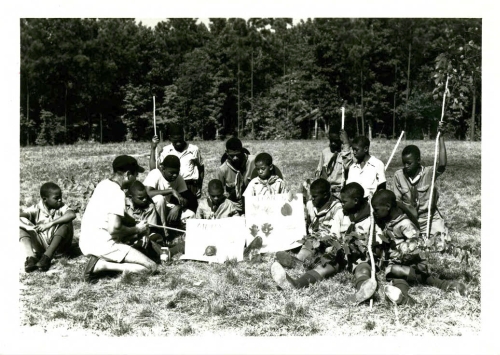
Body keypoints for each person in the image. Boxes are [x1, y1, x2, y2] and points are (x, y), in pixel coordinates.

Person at [271, 183, 378, 302]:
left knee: (363, 270)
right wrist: (332, 245)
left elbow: (374, 242)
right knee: (323, 267)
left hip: (359, 255)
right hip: (341, 253)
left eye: (344, 202)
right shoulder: (341, 213)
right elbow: (334, 234)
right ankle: (296, 283)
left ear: (356, 201)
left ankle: (363, 290)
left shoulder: (371, 218)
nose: (341, 204)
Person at [371, 190, 466, 305]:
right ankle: (404, 298)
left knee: (395, 271)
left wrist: (405, 256)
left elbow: (416, 246)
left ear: (388, 206)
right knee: (396, 277)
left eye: (376, 210)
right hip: (398, 263)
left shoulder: (405, 224)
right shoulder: (388, 221)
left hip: (412, 263)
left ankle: (445, 284)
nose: (374, 213)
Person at [79, 155, 157, 283]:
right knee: (151, 267)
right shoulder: (118, 193)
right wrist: (137, 229)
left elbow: (117, 215)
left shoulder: (103, 184)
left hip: (87, 243)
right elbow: (114, 229)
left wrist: (134, 223)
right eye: (135, 175)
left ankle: (100, 261)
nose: (136, 178)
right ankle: (103, 266)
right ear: (127, 174)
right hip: (104, 246)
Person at [392, 121, 447, 237]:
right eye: (404, 163)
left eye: (409, 163)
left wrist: (441, 137)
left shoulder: (428, 173)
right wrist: (408, 210)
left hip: (429, 218)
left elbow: (442, 164)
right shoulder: (398, 175)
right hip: (409, 217)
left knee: (440, 243)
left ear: (418, 160)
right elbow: (396, 201)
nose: (406, 166)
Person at [275, 178, 341, 267]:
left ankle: (297, 261)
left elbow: (336, 233)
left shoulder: (336, 208)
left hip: (326, 239)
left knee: (310, 245)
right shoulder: (310, 204)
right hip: (310, 235)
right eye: (311, 196)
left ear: (325, 195)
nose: (312, 199)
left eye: (315, 197)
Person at [19, 182, 76, 272]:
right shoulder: (35, 209)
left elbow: (72, 214)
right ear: (45, 199)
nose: (60, 200)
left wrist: (50, 224)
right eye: (56, 198)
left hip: (59, 248)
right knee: (21, 226)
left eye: (60, 197)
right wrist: (27, 227)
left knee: (66, 223)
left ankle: (47, 257)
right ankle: (31, 258)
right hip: (42, 245)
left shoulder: (61, 207)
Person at [150, 124, 204, 199]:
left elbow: (201, 167)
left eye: (180, 139)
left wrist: (199, 186)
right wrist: (153, 148)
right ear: (170, 138)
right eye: (175, 140)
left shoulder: (194, 149)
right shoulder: (165, 151)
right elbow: (154, 169)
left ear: (183, 136)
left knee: (191, 209)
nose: (178, 142)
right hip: (172, 185)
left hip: (190, 185)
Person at [143, 155, 196, 231]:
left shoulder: (179, 178)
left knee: (190, 215)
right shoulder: (155, 173)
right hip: (152, 210)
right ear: (163, 168)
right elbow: (147, 193)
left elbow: (187, 198)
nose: (174, 175)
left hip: (167, 208)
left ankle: (184, 235)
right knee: (159, 199)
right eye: (171, 173)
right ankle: (161, 232)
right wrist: (170, 191)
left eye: (176, 172)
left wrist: (178, 206)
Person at [216, 137, 256, 213]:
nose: (235, 158)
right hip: (235, 206)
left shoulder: (254, 161)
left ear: (242, 151)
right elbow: (218, 193)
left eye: (238, 155)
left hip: (254, 203)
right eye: (232, 155)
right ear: (226, 152)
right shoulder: (222, 170)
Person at [314, 130, 353, 197]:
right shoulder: (325, 152)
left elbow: (347, 166)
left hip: (340, 193)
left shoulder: (348, 153)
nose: (333, 143)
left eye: (336, 141)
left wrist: (346, 144)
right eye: (331, 141)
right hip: (326, 192)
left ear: (341, 140)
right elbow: (319, 171)